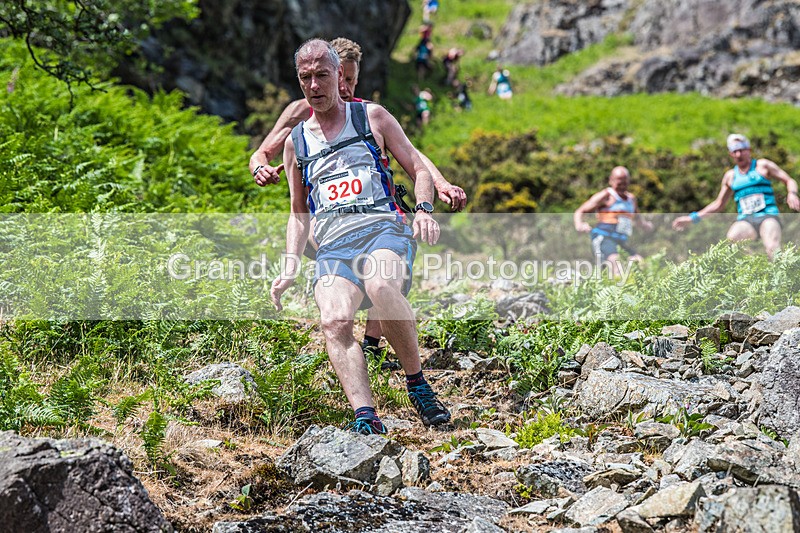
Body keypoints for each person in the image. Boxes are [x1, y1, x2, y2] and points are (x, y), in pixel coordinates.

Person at [271, 39, 451, 434]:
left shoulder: (372, 117)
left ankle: (417, 384)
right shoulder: (295, 142)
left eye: (322, 75)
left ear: (340, 75)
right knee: (334, 320)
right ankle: (366, 416)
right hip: (334, 247)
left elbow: (419, 169)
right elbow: (299, 213)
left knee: (381, 285)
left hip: (384, 230)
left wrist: (423, 209)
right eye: (306, 78)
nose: (314, 86)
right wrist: (289, 264)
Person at [672, 134, 800, 259]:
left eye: (741, 150)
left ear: (748, 150)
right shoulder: (730, 176)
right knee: (733, 239)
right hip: (746, 219)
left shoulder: (763, 166)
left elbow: (789, 180)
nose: (738, 155)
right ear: (731, 154)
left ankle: (784, 276)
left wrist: (792, 194)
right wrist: (692, 218)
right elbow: (718, 204)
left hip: (767, 216)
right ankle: (757, 271)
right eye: (735, 151)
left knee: (772, 247)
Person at [574, 166, 653, 275]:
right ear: (611, 180)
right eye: (619, 183)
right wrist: (580, 224)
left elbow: (637, 217)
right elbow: (580, 211)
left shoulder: (631, 199)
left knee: (640, 264)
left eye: (625, 183)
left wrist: (645, 225)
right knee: (617, 266)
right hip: (604, 238)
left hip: (621, 241)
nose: (622, 187)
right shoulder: (606, 195)